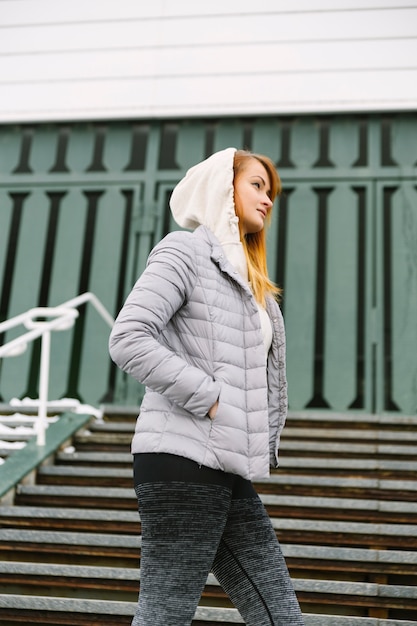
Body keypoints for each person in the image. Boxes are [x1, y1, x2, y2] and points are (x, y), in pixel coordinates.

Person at [108, 147, 305, 626]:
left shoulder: (252, 284)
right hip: (181, 462)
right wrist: (211, 398)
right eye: (257, 185)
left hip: (227, 465)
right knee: (165, 614)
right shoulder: (185, 251)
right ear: (223, 187)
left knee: (279, 614)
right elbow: (128, 338)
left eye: (271, 191)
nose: (268, 200)